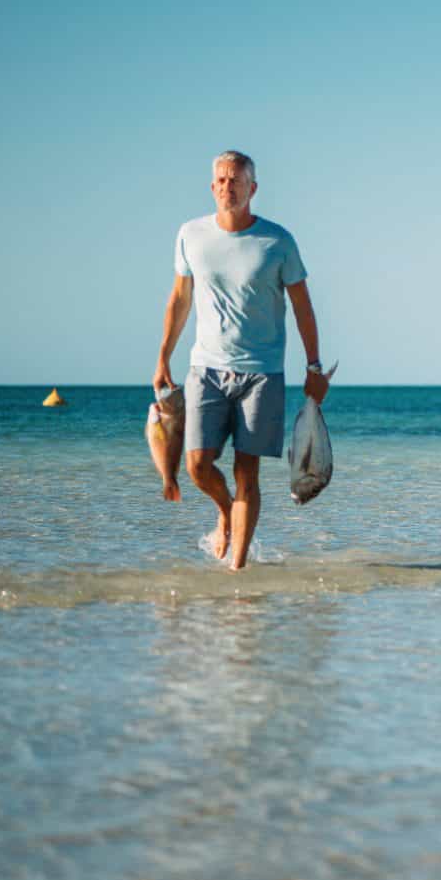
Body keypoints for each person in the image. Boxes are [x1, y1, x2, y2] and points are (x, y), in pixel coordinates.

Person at [154, 150, 330, 571]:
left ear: (253, 188)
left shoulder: (278, 241)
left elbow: (303, 306)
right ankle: (224, 511)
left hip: (262, 374)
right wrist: (163, 356)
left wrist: (314, 366)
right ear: (211, 186)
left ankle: (238, 571)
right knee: (196, 465)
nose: (226, 186)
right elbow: (180, 299)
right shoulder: (190, 235)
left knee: (246, 472)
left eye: (235, 180)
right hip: (206, 369)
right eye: (219, 180)